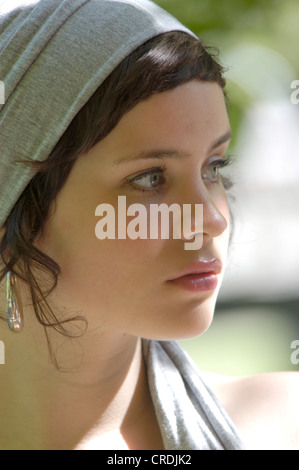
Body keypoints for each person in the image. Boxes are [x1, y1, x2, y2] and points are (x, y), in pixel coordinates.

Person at [0, 0, 298, 451]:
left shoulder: (279, 426)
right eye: (150, 178)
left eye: (214, 167)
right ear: (14, 204)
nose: (212, 220)